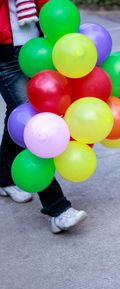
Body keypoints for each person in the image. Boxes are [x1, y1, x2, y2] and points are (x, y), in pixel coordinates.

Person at [0, 0, 87, 233]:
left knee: (16, 115)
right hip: (5, 58)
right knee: (33, 125)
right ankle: (57, 209)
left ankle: (3, 177)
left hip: (40, 50)